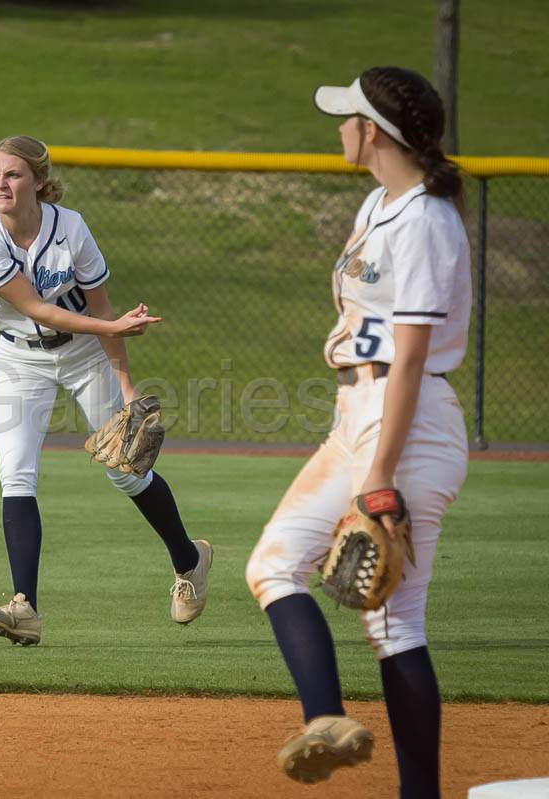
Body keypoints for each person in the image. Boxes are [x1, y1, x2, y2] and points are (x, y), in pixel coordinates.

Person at [244, 67, 471, 795]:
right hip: (355, 416)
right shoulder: (380, 204)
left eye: (348, 116)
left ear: (372, 131)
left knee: (395, 624)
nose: (339, 126)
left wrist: (379, 474)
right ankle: (327, 722)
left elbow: (408, 359)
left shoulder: (429, 221)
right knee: (273, 566)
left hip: (408, 425)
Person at [0, 135, 213, 647]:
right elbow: (35, 309)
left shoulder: (69, 227)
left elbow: (103, 313)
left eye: (12, 174)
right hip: (17, 360)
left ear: (36, 179)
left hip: (82, 353)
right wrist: (113, 328)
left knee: (127, 471)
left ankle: (190, 559)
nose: (0, 185)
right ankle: (24, 608)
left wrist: (126, 388)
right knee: (16, 474)